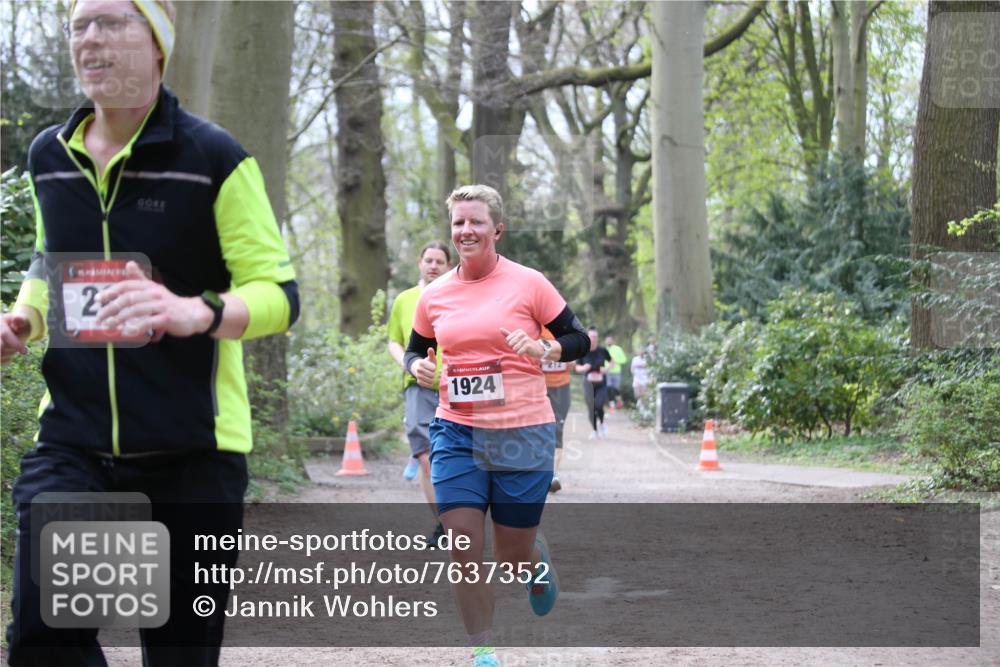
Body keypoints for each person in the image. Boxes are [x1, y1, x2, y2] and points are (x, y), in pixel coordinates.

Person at [0, 1, 299, 663]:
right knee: (47, 637)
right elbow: (52, 259)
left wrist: (201, 312)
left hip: (193, 449)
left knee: (178, 653)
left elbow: (279, 293)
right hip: (77, 444)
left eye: (111, 22)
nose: (91, 39)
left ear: (159, 43)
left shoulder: (213, 157)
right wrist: (24, 317)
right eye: (80, 25)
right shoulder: (51, 156)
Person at [405, 185, 589, 667]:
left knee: (510, 556)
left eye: (476, 222)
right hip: (456, 431)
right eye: (459, 223)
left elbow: (579, 337)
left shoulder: (529, 283)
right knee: (463, 546)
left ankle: (534, 565)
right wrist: (416, 368)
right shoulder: (435, 295)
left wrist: (544, 349)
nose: (466, 230)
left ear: (497, 229)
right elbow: (414, 348)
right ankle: (483, 652)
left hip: (522, 432)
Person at [387, 240, 451, 544]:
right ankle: (443, 523)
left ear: (448, 266)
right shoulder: (405, 299)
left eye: (440, 261)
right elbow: (393, 341)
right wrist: (408, 365)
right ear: (420, 263)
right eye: (429, 260)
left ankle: (461, 517)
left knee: (456, 456)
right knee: (426, 455)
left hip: (456, 386)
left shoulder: (458, 296)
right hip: (418, 387)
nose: (434, 265)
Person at [540, 326, 573, 493]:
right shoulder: (535, 326)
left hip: (561, 387)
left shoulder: (565, 327)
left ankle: (553, 474)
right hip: (539, 387)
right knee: (539, 429)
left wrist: (569, 359)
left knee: (557, 429)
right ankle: (539, 472)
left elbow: (576, 355)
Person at [576, 328, 612, 439]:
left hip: (601, 383)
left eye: (595, 336)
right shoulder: (583, 351)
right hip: (588, 384)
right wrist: (584, 368)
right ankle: (595, 430)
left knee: (599, 404)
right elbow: (577, 367)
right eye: (591, 336)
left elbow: (611, 362)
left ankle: (602, 423)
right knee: (591, 408)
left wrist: (606, 369)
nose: (593, 339)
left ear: (598, 338)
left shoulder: (602, 350)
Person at [604, 335, 628, 410]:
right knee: (608, 387)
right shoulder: (604, 350)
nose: (608, 341)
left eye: (609, 340)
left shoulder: (618, 349)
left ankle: (619, 400)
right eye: (607, 340)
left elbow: (624, 360)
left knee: (615, 388)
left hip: (616, 372)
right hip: (607, 372)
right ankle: (612, 405)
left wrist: (615, 361)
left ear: (612, 341)